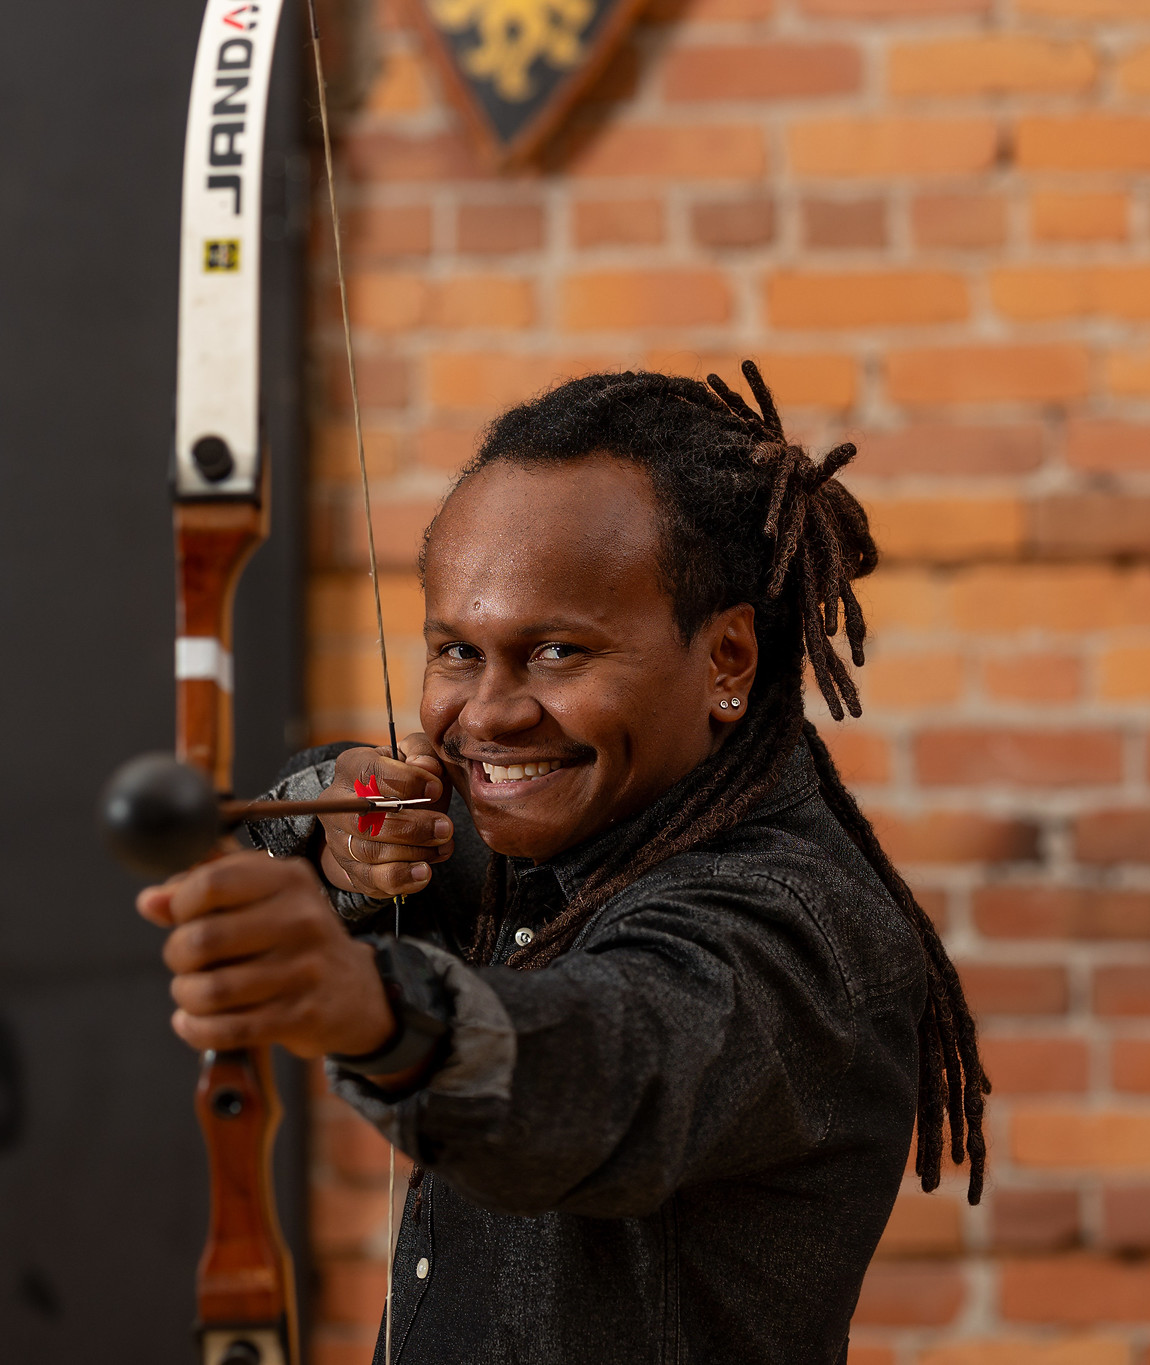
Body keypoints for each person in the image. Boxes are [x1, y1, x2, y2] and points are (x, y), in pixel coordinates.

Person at [136, 363, 988, 1364]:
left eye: (554, 654)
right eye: (455, 651)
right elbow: (269, 844)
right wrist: (326, 830)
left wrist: (370, 1009)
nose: (487, 715)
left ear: (725, 661)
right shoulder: (541, 834)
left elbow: (598, 1064)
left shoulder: (794, 932)